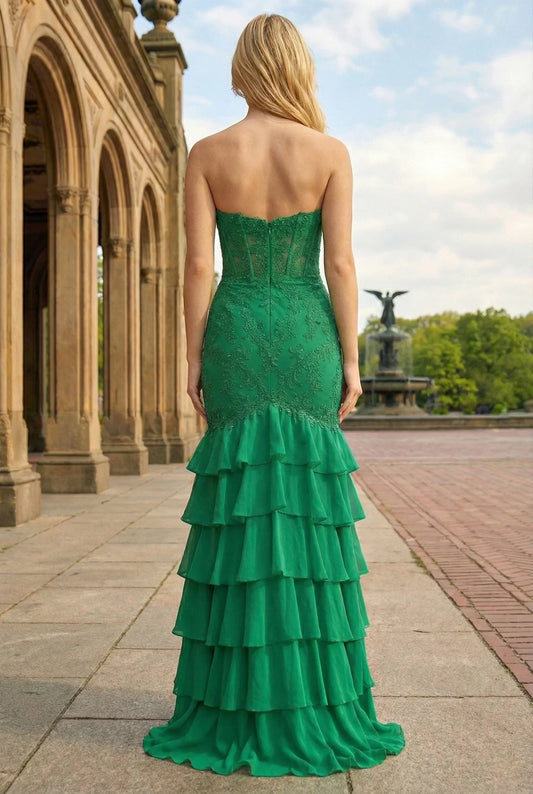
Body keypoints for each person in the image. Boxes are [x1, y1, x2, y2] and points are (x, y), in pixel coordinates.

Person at [143, 13, 405, 776]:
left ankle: (232, 702)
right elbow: (342, 265)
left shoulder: (206, 152)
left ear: (240, 68)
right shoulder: (328, 152)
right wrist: (351, 361)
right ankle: (314, 702)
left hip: (235, 330)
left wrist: (191, 357)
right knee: (308, 517)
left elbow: (199, 268)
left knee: (238, 517)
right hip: (302, 333)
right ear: (298, 68)